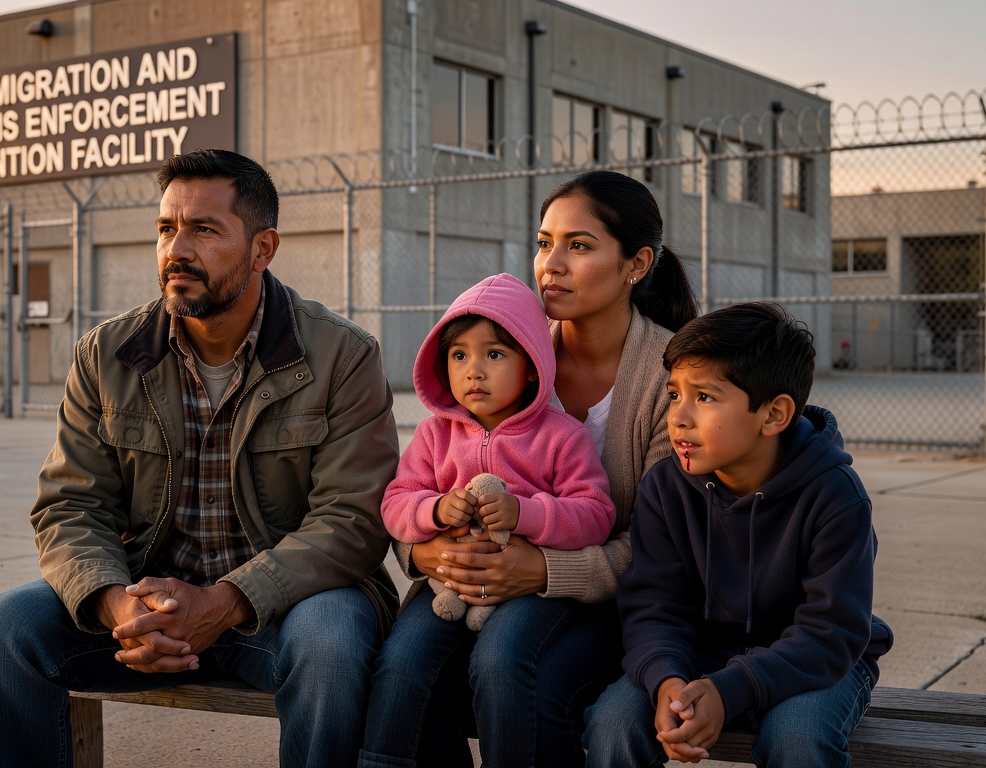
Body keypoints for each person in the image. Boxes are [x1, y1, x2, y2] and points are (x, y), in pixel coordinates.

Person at [0, 149, 400, 768]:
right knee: (3, 629)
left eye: (204, 229)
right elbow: (70, 503)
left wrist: (225, 602)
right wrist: (116, 603)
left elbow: (352, 521)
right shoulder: (109, 353)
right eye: (167, 228)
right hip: (149, 605)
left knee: (332, 641)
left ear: (262, 249)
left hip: (282, 608)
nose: (177, 249)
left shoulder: (341, 356)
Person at [392, 170, 700, 765]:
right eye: (543, 243)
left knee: (509, 666)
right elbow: (428, 478)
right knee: (409, 675)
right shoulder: (509, 353)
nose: (550, 265)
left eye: (578, 246)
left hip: (621, 603)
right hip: (475, 589)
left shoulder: (673, 379)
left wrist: (541, 571)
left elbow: (665, 547)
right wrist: (424, 554)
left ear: (635, 264)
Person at [583, 302, 895, 767]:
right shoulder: (667, 487)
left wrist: (730, 690)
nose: (679, 417)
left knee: (797, 737)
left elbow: (830, 632)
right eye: (674, 394)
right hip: (699, 655)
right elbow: (653, 606)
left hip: (816, 663)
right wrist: (668, 680)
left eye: (705, 397)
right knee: (613, 720)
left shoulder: (835, 496)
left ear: (773, 415)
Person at [362, 273, 616, 767]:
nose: (474, 371)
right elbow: (396, 501)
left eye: (494, 355)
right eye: (459, 355)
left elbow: (596, 513)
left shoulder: (562, 436)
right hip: (447, 586)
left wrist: (528, 511)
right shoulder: (437, 434)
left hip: (532, 592)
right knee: (402, 662)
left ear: (531, 366)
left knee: (500, 662)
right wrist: (433, 509)